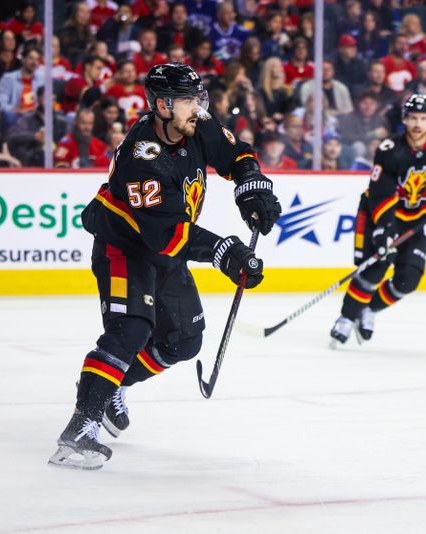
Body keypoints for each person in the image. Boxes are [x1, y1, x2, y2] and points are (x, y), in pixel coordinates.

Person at [48, 63, 281, 470]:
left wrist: (252, 187)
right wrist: (227, 251)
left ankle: (109, 386)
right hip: (125, 248)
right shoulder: (143, 159)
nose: (199, 107)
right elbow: (169, 234)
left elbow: (236, 153)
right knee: (132, 329)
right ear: (162, 105)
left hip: (163, 250)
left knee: (184, 341)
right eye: (189, 100)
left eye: (197, 97)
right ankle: (80, 428)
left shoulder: (196, 123)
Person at [329, 94, 426, 345]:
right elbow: (381, 194)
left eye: (423, 118)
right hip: (379, 217)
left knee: (409, 279)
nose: (417, 124)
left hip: (415, 224)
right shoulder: (390, 150)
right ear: (404, 119)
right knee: (374, 269)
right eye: (413, 118)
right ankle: (347, 318)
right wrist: (384, 230)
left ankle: (368, 310)